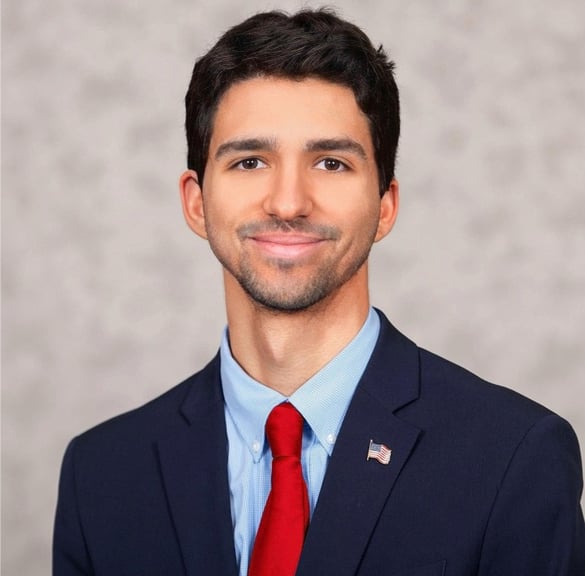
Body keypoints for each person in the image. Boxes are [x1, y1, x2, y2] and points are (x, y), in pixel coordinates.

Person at [53, 8, 585, 576]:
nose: (288, 203)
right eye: (250, 161)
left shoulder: (512, 458)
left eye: (331, 162)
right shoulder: (102, 475)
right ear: (196, 202)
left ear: (385, 206)